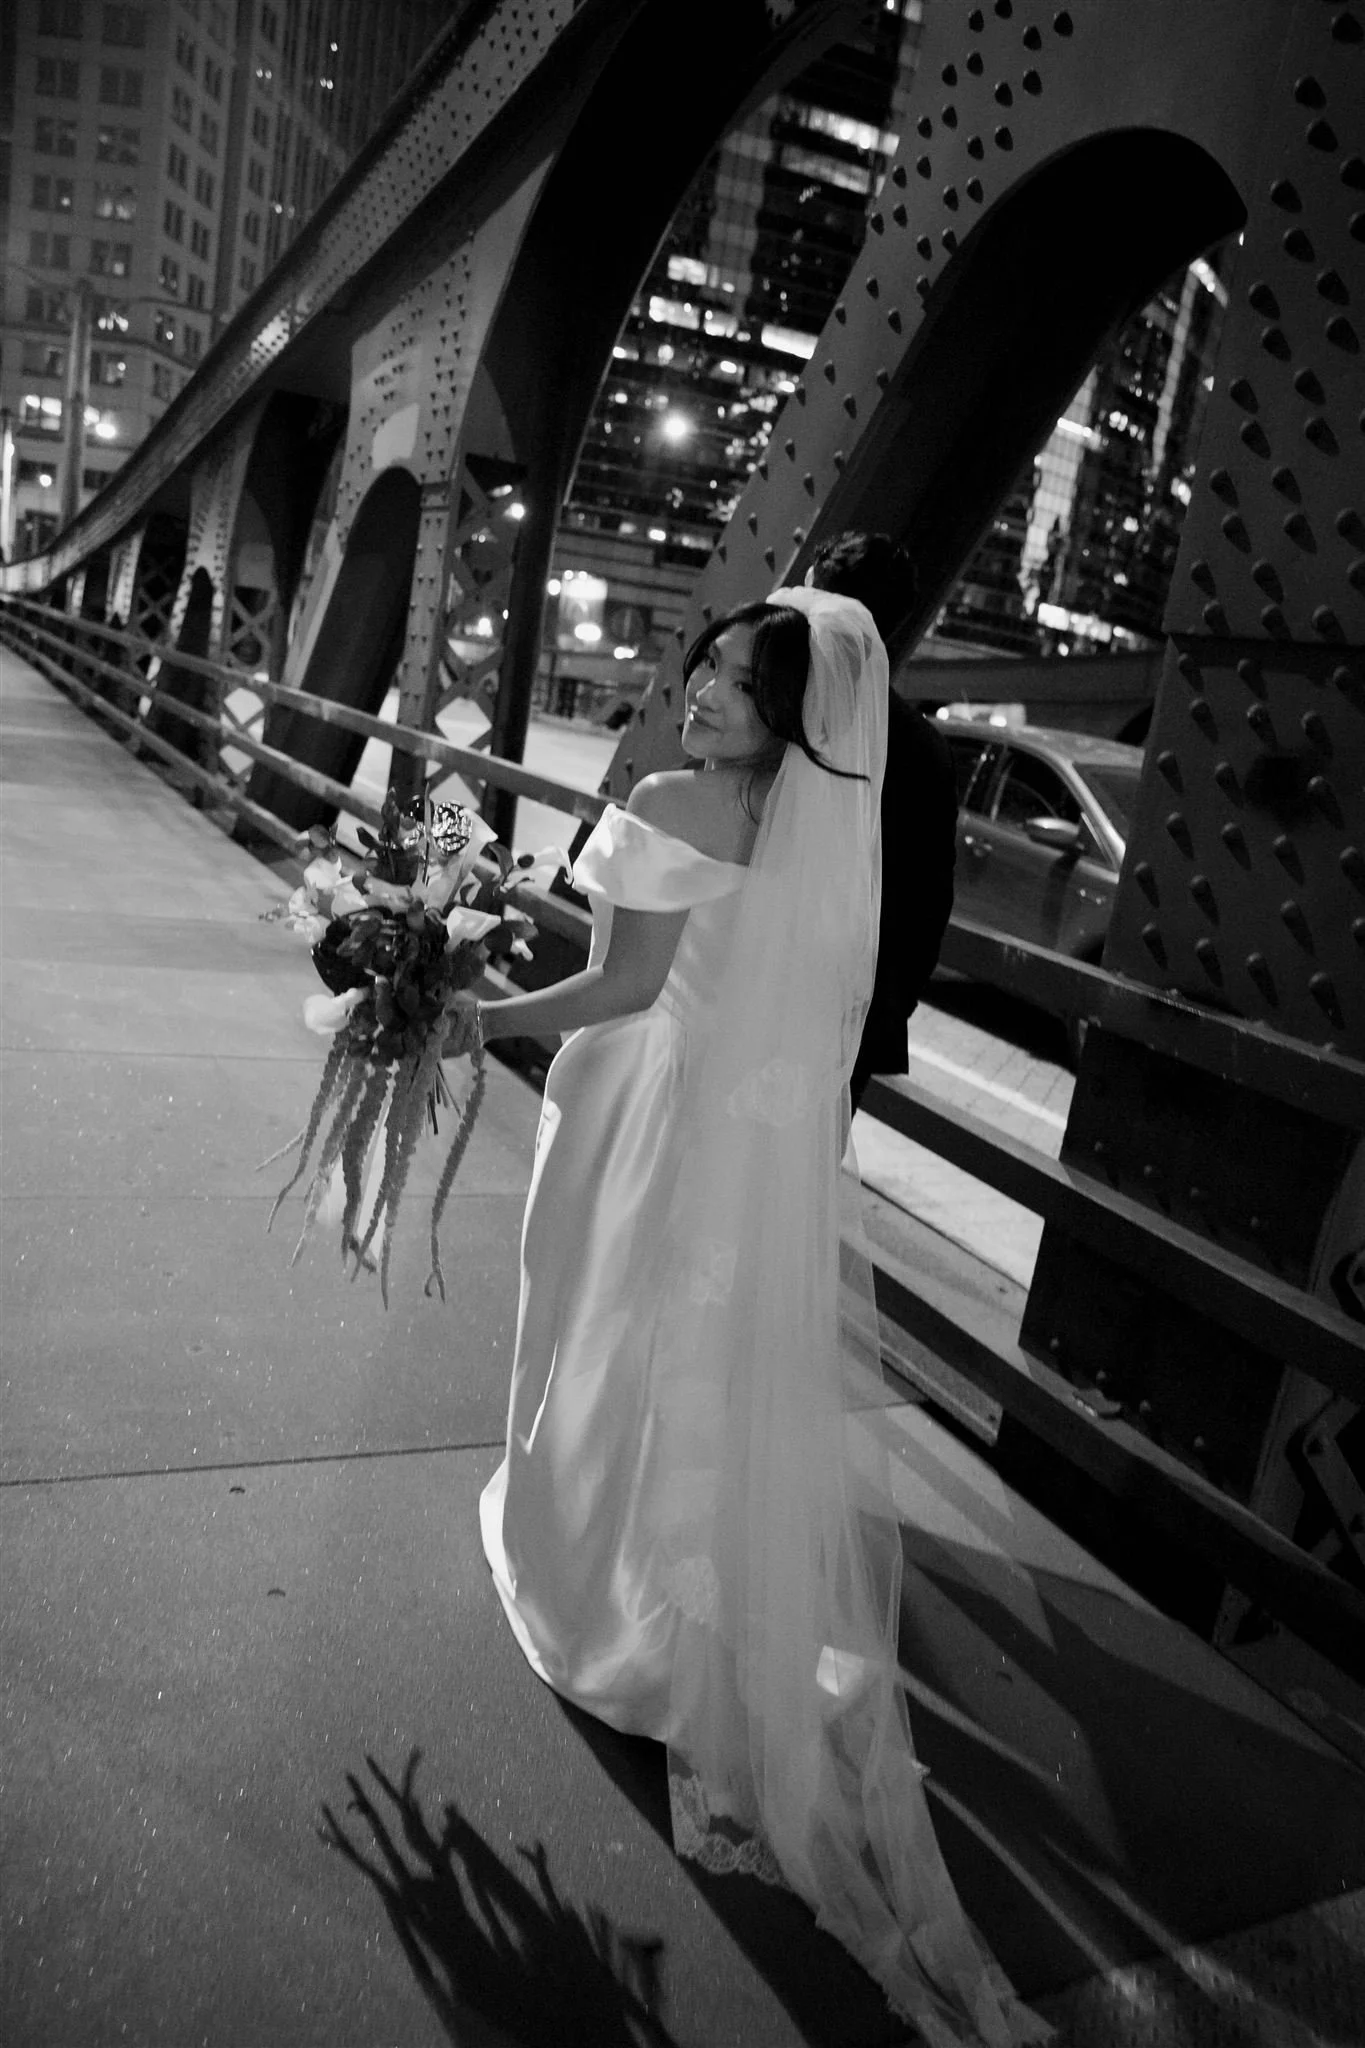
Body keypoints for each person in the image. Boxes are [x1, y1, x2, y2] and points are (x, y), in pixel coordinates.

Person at [449, 590, 1044, 2046]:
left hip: (642, 1108)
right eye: (706, 665)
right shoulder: (820, 820)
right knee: (681, 1365)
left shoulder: (667, 797)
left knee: (598, 1339)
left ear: (794, 708)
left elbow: (620, 983)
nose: (705, 691)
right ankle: (672, 1598)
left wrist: (467, 1011)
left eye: (739, 681)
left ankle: (597, 1592)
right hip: (747, 1136)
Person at [805, 533, 958, 1111]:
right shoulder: (924, 747)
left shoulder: (772, 709)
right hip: (852, 1018)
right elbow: (926, 908)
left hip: (749, 992)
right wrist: (883, 1008)